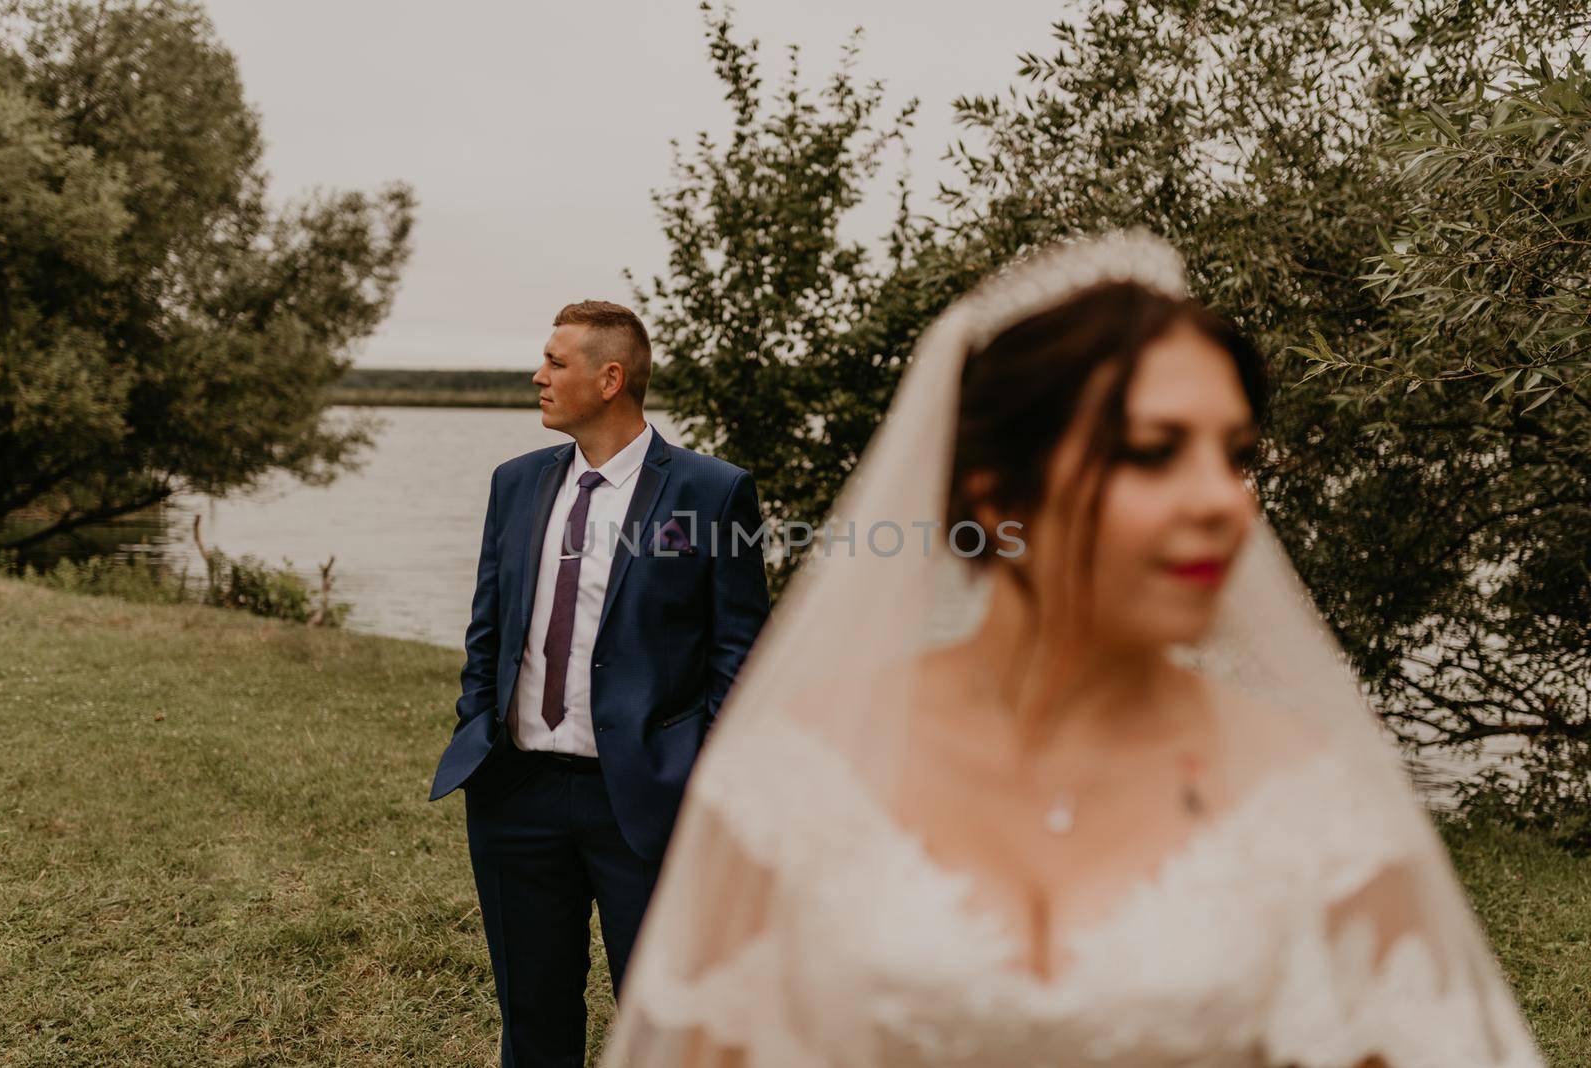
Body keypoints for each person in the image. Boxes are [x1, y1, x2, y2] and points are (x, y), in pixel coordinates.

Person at [599, 233, 1544, 1067]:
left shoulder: (1313, 800)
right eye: (1152, 451)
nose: (1225, 502)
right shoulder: (798, 781)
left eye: (1238, 455)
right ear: (997, 496)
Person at [429, 300, 772, 1068]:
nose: (537, 376)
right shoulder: (514, 484)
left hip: (644, 800)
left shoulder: (713, 494)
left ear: (609, 378)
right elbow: (488, 628)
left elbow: (741, 656)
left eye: (555, 362)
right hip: (515, 794)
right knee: (533, 1014)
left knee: (663, 1022)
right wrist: (477, 724)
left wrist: (697, 777)